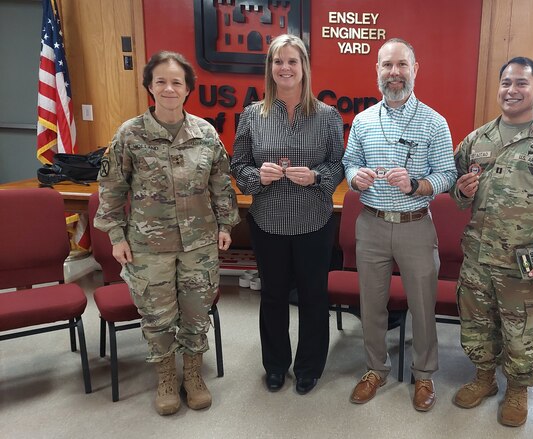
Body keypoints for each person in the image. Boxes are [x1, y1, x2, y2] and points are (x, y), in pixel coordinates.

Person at [95, 51, 240, 416]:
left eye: (177, 82)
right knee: (157, 315)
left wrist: (226, 225)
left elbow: (221, 184)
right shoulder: (130, 135)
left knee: (195, 311)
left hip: (199, 243)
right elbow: (111, 187)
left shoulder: (205, 134)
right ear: (149, 86)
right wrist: (115, 235)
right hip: (148, 246)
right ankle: (164, 375)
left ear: (188, 89)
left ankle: (192, 374)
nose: (169, 88)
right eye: (161, 81)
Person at [449, 57, 533, 427]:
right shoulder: (478, 139)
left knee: (521, 332)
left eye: (522, 84)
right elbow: (457, 187)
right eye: (506, 83)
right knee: (476, 324)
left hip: (522, 262)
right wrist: (462, 191)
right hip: (478, 254)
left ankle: (517, 389)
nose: (512, 90)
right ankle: (483, 378)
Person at [342, 38, 457, 412]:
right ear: (377, 71)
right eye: (387, 65)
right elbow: (349, 161)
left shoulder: (434, 122)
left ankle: (423, 375)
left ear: (414, 69)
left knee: (423, 306)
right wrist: (355, 175)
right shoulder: (362, 121)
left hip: (415, 226)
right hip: (371, 225)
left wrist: (416, 184)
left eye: (401, 65)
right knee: (371, 304)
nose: (394, 73)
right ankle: (375, 369)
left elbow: (447, 174)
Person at [231, 34, 344, 396]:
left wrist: (316, 177)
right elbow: (239, 165)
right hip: (268, 221)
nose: (285, 68)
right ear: (270, 69)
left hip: (314, 221)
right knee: (274, 297)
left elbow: (338, 164)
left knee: (314, 296)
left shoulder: (327, 116)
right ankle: (276, 365)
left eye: (292, 61)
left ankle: (309, 367)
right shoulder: (252, 115)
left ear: (304, 67)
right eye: (278, 62)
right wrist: (255, 178)